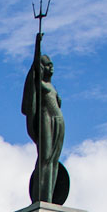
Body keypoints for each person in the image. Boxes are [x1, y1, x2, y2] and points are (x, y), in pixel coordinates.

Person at [21, 48, 65, 203]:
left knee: (54, 160)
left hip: (58, 120)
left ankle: (49, 196)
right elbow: (34, 70)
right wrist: (37, 43)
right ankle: (41, 196)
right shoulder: (38, 83)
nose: (50, 67)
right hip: (46, 119)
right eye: (47, 65)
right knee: (45, 158)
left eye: (51, 64)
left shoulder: (52, 87)